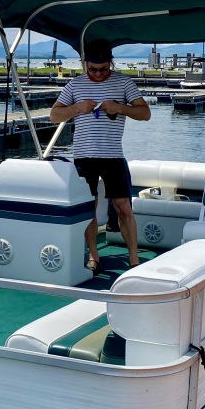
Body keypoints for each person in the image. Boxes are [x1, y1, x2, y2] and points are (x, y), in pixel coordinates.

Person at [49, 38, 151, 273]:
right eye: (92, 69)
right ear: (85, 64)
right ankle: (94, 256)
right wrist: (76, 108)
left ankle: (134, 259)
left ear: (111, 63)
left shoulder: (124, 83)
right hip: (84, 158)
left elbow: (145, 113)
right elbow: (54, 115)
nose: (97, 73)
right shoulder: (75, 85)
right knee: (89, 208)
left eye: (103, 69)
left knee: (124, 206)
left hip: (113, 156)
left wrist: (120, 108)